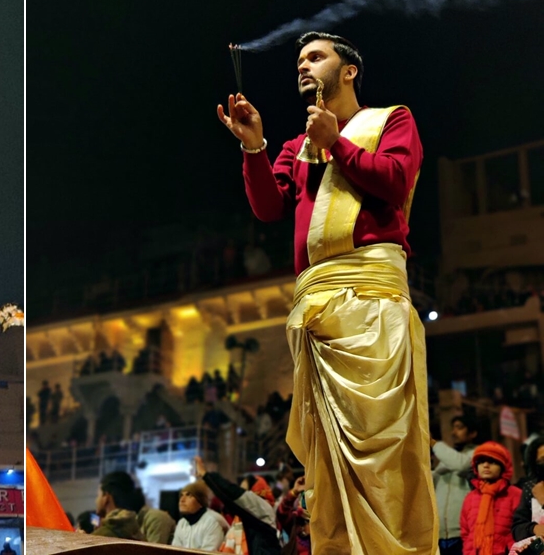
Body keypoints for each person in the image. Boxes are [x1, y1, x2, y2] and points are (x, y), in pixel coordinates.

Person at [217, 32, 433, 553]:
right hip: (315, 309)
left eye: (316, 57)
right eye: (299, 60)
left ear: (350, 70)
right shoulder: (296, 146)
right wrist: (254, 146)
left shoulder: (391, 120)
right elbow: (269, 208)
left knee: (383, 445)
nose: (303, 66)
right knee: (327, 461)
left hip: (372, 298)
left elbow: (396, 182)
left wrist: (337, 142)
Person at [193, 455, 280, 555]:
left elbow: (232, 493)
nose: (242, 494)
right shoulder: (243, 519)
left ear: (255, 494)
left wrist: (206, 475)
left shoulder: (263, 508)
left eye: (245, 491)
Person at [459, 441, 521, 555]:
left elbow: (520, 529)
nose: (485, 465)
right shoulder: (470, 497)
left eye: (492, 461)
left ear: (503, 467)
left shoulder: (515, 494)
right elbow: (465, 533)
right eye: (481, 462)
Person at [433, 415, 480, 555]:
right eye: (453, 428)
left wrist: (433, 443)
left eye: (459, 428)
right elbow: (432, 478)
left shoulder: (478, 453)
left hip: (464, 534)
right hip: (441, 535)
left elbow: (461, 465)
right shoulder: (448, 458)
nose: (454, 432)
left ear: (473, 433)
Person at [170, 480, 228, 551]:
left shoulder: (212, 521)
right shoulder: (182, 523)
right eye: (181, 495)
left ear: (200, 501)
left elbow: (209, 553)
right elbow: (175, 551)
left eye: (189, 495)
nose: (182, 500)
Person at [510, 436, 544, 553]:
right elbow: (517, 528)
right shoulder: (531, 488)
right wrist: (533, 528)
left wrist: (543, 499)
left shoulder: (539, 493)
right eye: (542, 460)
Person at [92, 472, 145, 541]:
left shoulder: (101, 536)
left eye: (98, 495)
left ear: (106, 497)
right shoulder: (137, 530)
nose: (96, 501)